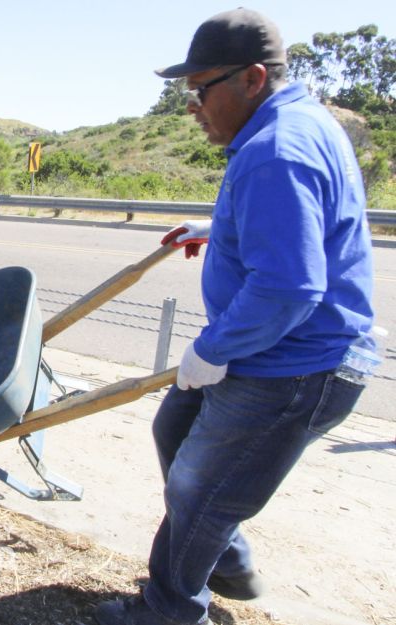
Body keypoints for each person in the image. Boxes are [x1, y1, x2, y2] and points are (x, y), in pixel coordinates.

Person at [93, 9, 375, 625]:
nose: (192, 107)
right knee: (174, 430)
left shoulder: (276, 149)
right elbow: (298, 225)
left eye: (201, 89)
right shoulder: (294, 124)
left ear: (252, 78)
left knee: (199, 491)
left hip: (295, 364)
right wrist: (221, 229)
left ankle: (169, 609)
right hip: (270, 347)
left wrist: (213, 349)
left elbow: (288, 289)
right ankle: (226, 563)